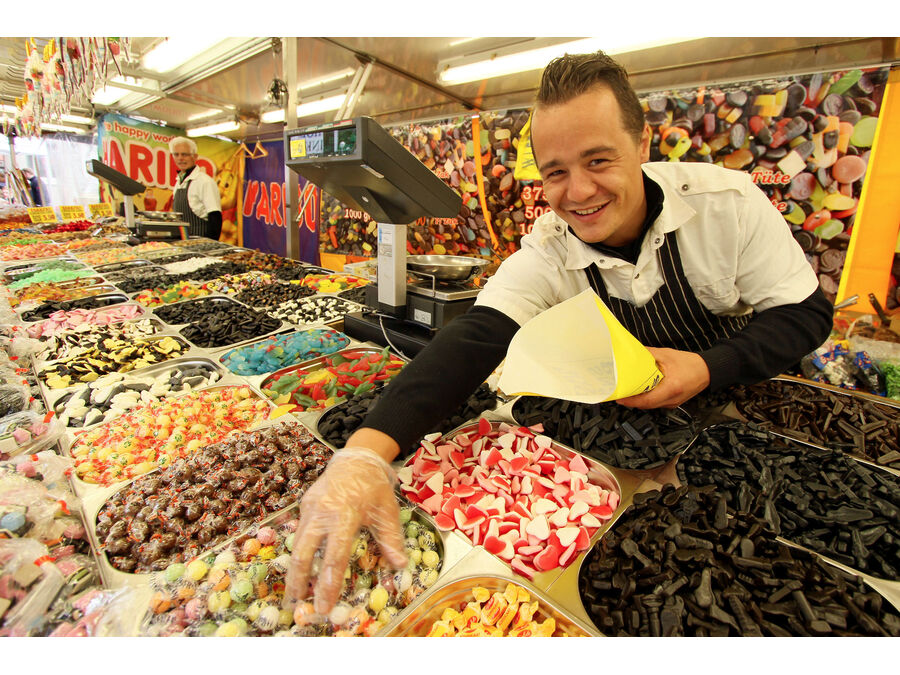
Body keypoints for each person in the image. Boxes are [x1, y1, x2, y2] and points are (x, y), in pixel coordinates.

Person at [283, 50, 833, 614]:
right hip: (635, 435)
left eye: (599, 160)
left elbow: (807, 314)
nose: (579, 191)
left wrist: (707, 367)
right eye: (555, 172)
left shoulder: (726, 205)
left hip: (740, 420)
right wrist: (365, 454)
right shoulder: (549, 247)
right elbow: (474, 338)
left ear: (642, 144)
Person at [168, 137, 222, 239]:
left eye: (184, 154)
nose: (180, 158)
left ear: (195, 157)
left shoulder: (205, 181)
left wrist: (210, 244)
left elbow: (215, 216)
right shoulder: (178, 182)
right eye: (176, 154)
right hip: (182, 241)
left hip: (202, 241)